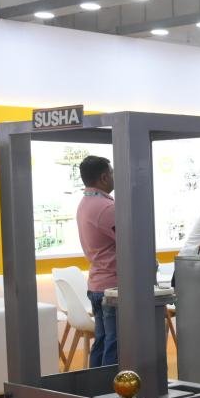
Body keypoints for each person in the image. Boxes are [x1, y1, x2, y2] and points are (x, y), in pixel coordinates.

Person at [75, 154, 119, 368]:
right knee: (115, 344)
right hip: (112, 288)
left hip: (97, 285)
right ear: (103, 177)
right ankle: (110, 386)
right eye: (112, 173)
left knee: (102, 342)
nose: (114, 177)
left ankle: (95, 386)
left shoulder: (85, 203)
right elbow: (131, 240)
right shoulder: (106, 208)